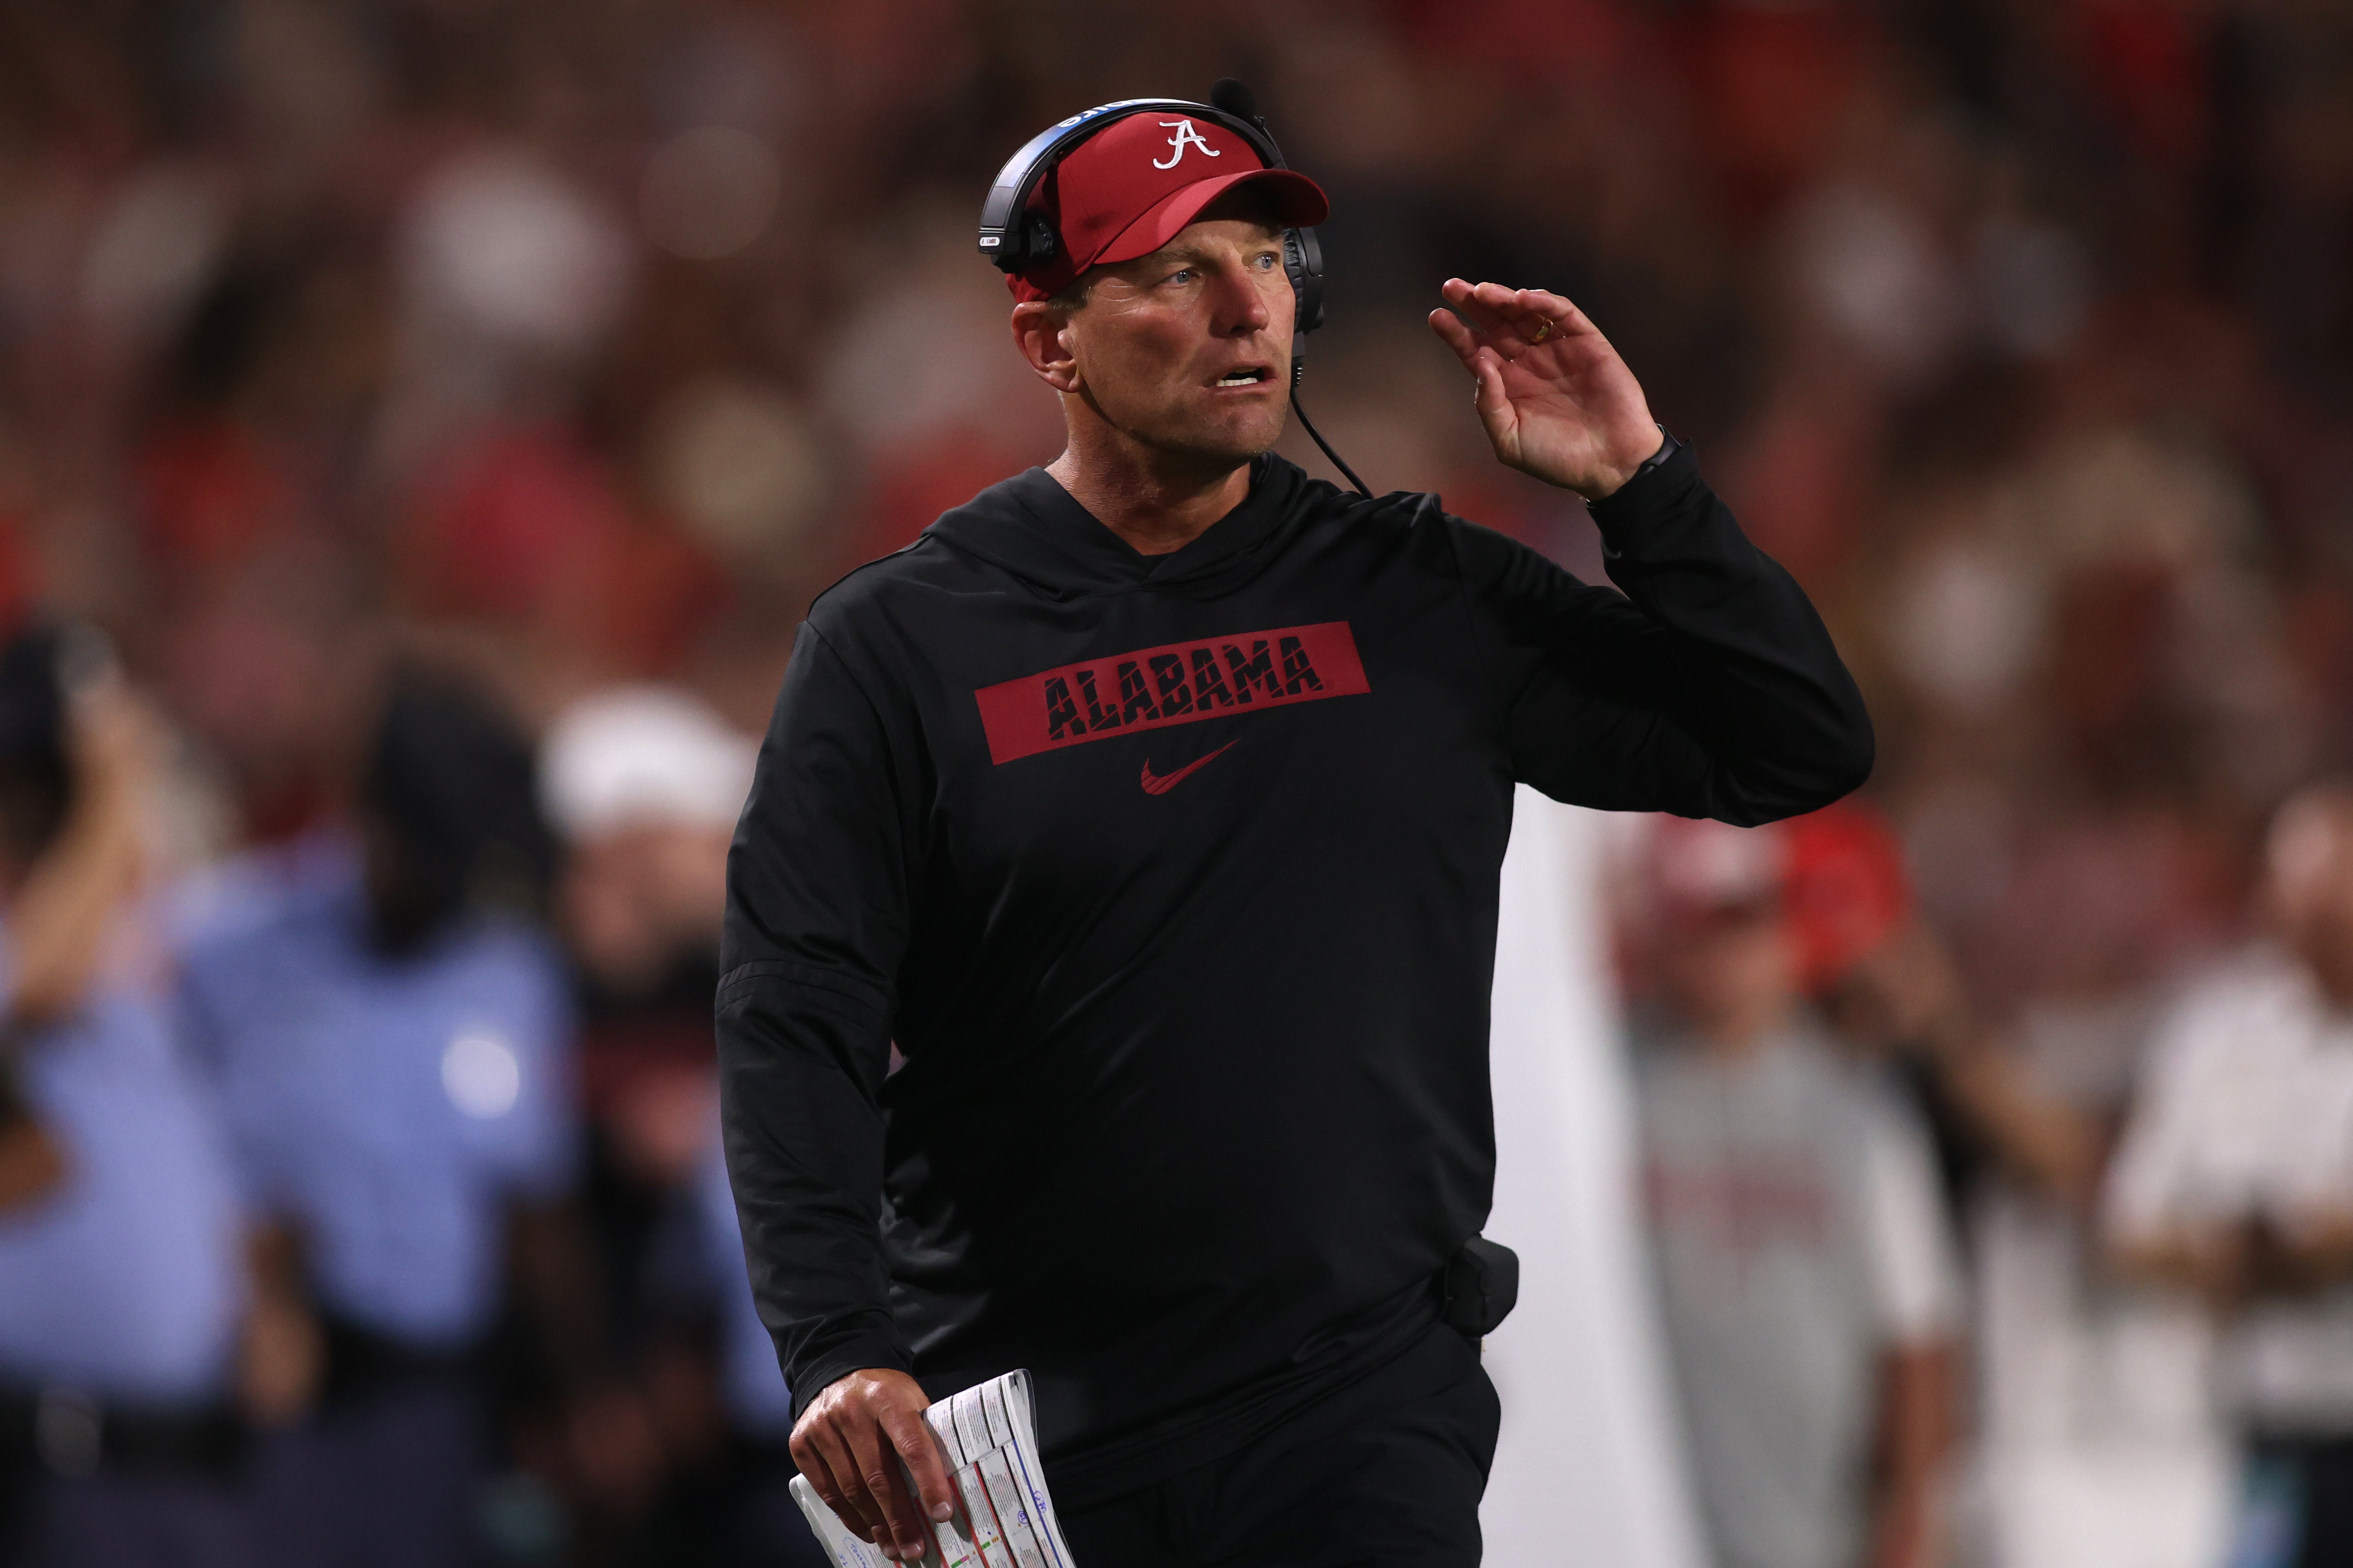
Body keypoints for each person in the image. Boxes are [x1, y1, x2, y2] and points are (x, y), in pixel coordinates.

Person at [719, 93, 1873, 1566]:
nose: (1240, 305)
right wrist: (833, 1341)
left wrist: (1645, 490)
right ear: (1046, 338)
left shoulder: (1417, 594)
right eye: (1169, 271)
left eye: (1264, 260)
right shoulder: (896, 645)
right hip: (1018, 1428)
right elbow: (793, 1015)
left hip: (1351, 1409)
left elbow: (1791, 740)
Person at [175, 666, 589, 1567]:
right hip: (279, 1399)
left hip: (439, 1412)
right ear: (371, 819)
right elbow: (165, 1156)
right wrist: (256, 1280)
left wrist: (568, 1397)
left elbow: (530, 1202)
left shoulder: (509, 971)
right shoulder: (224, 944)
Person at [1628, 812, 1961, 1568]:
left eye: (1741, 920)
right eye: (1697, 925)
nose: (1723, 953)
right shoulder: (1608, 1090)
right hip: (1648, 1507)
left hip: (1812, 1519)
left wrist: (1910, 1519)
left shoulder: (1858, 1108)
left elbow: (1916, 1331)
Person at [0, 630, 254, 1567]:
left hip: (191, 1461)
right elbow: (38, 979)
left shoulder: (159, 951)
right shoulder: (46, 950)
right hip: (51, 1458)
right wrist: (111, 781)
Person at [2104, 783, 2353, 1568]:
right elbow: (2128, 1222)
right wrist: (2234, 1250)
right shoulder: (2215, 1032)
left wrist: (2298, 1247)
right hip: (2260, 1413)